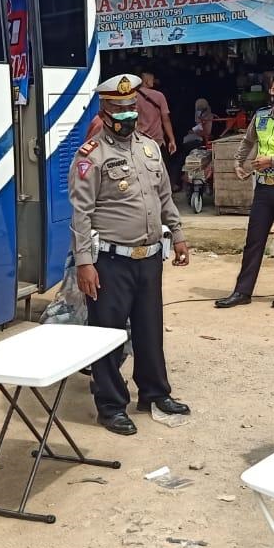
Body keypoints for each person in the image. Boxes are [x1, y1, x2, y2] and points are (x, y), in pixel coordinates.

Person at [69, 74, 191, 436]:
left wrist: (179, 236)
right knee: (106, 334)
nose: (127, 115)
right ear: (104, 112)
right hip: (110, 261)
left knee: (149, 329)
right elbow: (80, 213)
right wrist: (84, 263)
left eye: (131, 109)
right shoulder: (91, 155)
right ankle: (110, 404)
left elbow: (165, 197)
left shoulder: (150, 149)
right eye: (119, 109)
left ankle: (154, 393)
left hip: (150, 257)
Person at [215, 72, 274, 310]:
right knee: (253, 241)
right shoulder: (260, 118)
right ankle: (242, 291)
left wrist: (273, 161)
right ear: (270, 91)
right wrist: (238, 163)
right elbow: (248, 141)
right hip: (262, 188)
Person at [136, 71, 177, 156]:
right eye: (152, 79)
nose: (154, 81)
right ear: (146, 80)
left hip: (139, 140)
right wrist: (172, 140)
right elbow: (166, 120)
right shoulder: (159, 96)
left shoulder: (133, 96)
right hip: (157, 141)